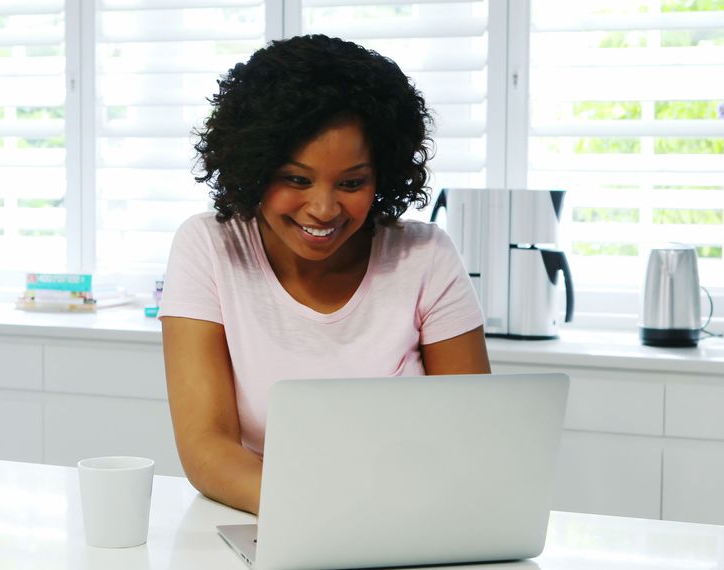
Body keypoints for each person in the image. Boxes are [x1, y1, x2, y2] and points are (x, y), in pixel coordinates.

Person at [158, 34, 491, 515]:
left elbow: (477, 435)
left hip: (411, 517)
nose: (323, 208)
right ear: (254, 167)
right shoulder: (209, 246)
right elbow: (207, 448)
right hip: (272, 517)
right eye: (296, 179)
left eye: (352, 183)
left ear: (383, 176)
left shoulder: (425, 255)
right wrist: (320, 512)